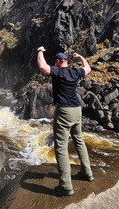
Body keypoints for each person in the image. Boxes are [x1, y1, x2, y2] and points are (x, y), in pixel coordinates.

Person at [37, 46, 94, 197]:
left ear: (57, 62)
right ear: (66, 61)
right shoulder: (75, 71)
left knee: (61, 147)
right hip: (77, 109)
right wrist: (80, 56)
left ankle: (66, 186)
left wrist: (40, 51)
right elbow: (88, 68)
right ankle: (87, 173)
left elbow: (42, 66)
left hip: (64, 111)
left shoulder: (58, 71)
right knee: (79, 140)